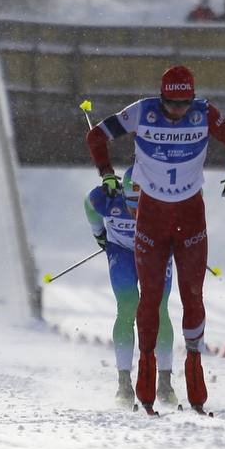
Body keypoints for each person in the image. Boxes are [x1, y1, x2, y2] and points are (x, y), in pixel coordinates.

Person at [85, 65, 225, 414]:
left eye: (184, 104)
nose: (178, 112)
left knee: (193, 295)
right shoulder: (142, 111)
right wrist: (107, 175)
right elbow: (96, 136)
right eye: (171, 105)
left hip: (191, 216)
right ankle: (145, 374)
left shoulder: (204, 112)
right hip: (152, 217)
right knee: (149, 300)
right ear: (161, 98)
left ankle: (193, 367)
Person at [85, 167, 175, 405]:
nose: (135, 212)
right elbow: (89, 203)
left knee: (158, 310)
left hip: (156, 251)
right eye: (131, 205)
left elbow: (195, 202)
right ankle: (124, 384)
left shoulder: (165, 199)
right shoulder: (107, 199)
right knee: (127, 307)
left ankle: (164, 383)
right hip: (122, 252)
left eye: (142, 206)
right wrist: (99, 234)